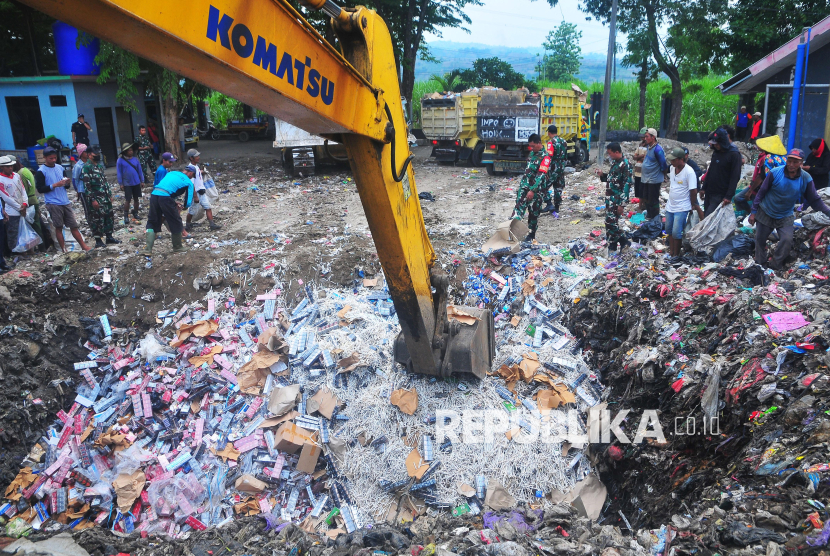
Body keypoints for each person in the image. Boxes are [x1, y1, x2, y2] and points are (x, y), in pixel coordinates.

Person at [750, 148, 830, 269]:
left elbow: (815, 200)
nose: (791, 165)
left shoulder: (805, 178)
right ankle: (761, 265)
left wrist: (828, 212)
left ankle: (775, 265)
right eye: (790, 161)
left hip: (785, 214)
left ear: (801, 163)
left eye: (795, 162)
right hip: (766, 210)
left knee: (787, 240)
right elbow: (761, 193)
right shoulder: (775, 173)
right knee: (760, 240)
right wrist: (753, 212)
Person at [35, 147, 90, 252]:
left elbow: (66, 186)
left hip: (65, 201)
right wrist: (55, 185)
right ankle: (64, 250)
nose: (53, 160)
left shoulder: (60, 168)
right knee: (59, 227)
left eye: (55, 158)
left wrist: (66, 183)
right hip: (53, 203)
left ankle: (84, 246)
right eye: (51, 158)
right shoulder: (41, 171)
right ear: (45, 157)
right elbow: (40, 189)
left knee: (73, 225)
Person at [144, 167, 196, 255]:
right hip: (165, 197)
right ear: (191, 173)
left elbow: (164, 187)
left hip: (154, 195)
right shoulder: (188, 182)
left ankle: (148, 249)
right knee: (175, 221)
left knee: (152, 220)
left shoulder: (171, 173)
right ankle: (177, 247)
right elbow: (188, 199)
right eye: (193, 176)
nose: (192, 178)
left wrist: (172, 201)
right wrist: (185, 207)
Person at [664, 147, 704, 259]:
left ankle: (676, 254)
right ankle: (671, 252)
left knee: (677, 232)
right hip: (670, 205)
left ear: (681, 159)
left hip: (682, 206)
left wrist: (692, 205)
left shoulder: (689, 172)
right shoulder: (672, 169)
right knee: (669, 230)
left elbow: (693, 191)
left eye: (673, 160)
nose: (671, 162)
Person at [733, 135, 787, 214]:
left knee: (758, 210)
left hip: (763, 188)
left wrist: (751, 190)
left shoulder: (768, 158)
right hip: (775, 190)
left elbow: (761, 176)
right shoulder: (782, 158)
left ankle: (754, 217)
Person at [511, 134, 551, 242]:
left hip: (537, 190)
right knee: (518, 209)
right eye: (530, 146)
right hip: (524, 187)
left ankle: (531, 235)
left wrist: (533, 190)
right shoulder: (532, 154)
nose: (531, 148)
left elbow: (541, 175)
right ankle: (510, 232)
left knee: (533, 213)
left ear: (539, 143)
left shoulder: (545, 157)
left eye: (533, 146)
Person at [596, 142, 632, 253]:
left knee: (611, 223)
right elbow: (612, 180)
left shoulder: (625, 165)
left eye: (610, 153)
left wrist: (622, 204)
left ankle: (624, 240)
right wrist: (603, 175)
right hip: (610, 198)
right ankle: (612, 245)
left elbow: (626, 186)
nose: (609, 156)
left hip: (617, 199)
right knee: (609, 223)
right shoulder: (616, 163)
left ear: (617, 152)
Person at [82, 149, 121, 248]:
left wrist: (109, 194)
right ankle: (98, 240)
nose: (98, 156)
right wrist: (93, 200)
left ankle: (109, 237)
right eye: (96, 154)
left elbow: (104, 182)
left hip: (105, 197)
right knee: (97, 219)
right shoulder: (87, 167)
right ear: (90, 155)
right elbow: (87, 185)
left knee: (109, 217)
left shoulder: (99, 167)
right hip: (96, 198)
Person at [700, 127, 741, 217]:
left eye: (717, 143)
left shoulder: (734, 154)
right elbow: (710, 171)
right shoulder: (716, 153)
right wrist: (703, 188)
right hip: (710, 191)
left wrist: (728, 196)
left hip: (721, 193)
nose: (716, 145)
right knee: (706, 216)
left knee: (709, 218)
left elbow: (735, 176)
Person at [184, 149, 221, 231]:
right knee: (192, 211)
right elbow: (191, 184)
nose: (198, 157)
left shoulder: (195, 167)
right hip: (197, 193)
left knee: (208, 207)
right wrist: (195, 196)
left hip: (201, 192)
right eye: (196, 156)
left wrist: (201, 172)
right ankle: (187, 225)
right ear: (191, 158)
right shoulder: (191, 169)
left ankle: (212, 224)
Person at [11, 156, 45, 247]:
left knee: (34, 225)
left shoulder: (20, 173)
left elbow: (23, 191)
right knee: (37, 223)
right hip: (33, 199)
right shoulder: (26, 170)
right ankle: (43, 245)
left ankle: (41, 246)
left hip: (29, 201)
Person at [0, 156, 29, 254]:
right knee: (13, 232)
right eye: (7, 167)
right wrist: (20, 207)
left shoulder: (16, 176)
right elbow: (6, 198)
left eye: (11, 166)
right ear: (2, 167)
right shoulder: (1, 180)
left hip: (22, 206)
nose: (10, 168)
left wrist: (25, 203)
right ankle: (14, 251)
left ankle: (23, 250)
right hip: (11, 210)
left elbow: (23, 190)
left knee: (22, 231)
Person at [640, 128, 668, 219]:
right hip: (647, 178)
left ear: (653, 137)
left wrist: (664, 175)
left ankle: (655, 217)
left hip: (654, 179)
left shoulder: (658, 150)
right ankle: (649, 214)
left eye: (647, 136)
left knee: (653, 199)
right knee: (646, 197)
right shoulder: (649, 147)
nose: (645, 138)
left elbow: (663, 164)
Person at [117, 142, 145, 225]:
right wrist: (121, 183)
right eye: (129, 150)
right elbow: (119, 173)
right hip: (127, 183)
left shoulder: (135, 159)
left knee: (136, 199)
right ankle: (126, 216)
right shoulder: (120, 161)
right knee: (128, 200)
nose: (131, 152)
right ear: (125, 152)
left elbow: (140, 170)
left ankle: (135, 213)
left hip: (136, 182)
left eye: (131, 150)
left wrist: (142, 180)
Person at [543, 125, 568, 213]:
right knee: (558, 188)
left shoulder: (551, 143)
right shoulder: (564, 141)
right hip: (561, 168)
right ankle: (556, 207)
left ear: (549, 133)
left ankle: (549, 204)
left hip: (553, 168)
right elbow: (565, 156)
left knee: (543, 186)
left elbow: (549, 157)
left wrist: (545, 170)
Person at [72, 144, 91, 224]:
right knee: (87, 209)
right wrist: (77, 191)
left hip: (91, 189)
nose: (88, 153)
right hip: (83, 189)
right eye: (86, 152)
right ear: (81, 153)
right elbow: (75, 179)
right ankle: (90, 223)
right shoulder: (78, 166)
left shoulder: (90, 163)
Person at [632, 128, 649, 212]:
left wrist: (639, 157)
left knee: (643, 189)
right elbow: (634, 157)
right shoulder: (640, 145)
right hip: (638, 171)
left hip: (644, 172)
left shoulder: (650, 147)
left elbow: (646, 159)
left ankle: (642, 206)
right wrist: (640, 157)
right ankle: (641, 205)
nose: (643, 138)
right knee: (639, 189)